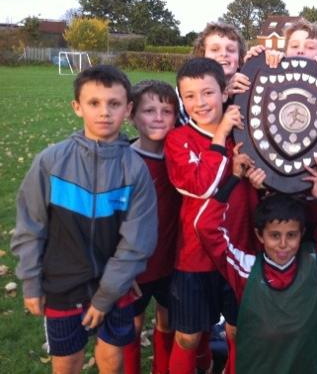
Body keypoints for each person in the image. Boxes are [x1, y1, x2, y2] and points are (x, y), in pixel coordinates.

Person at [11, 65, 158, 374]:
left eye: (114, 104)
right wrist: (31, 283)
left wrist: (106, 297)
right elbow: (30, 226)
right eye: (94, 103)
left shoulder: (135, 170)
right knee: (67, 363)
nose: (104, 112)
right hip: (62, 286)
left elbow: (137, 243)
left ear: (128, 109)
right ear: (77, 106)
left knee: (111, 358)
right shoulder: (51, 162)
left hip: (115, 287)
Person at [193, 145, 317, 374]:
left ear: (302, 234)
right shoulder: (245, 270)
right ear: (260, 236)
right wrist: (234, 179)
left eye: (291, 235)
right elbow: (205, 227)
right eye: (275, 236)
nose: (284, 244)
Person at [164, 58, 257, 374]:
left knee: (238, 331)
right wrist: (219, 136)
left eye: (208, 93)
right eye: (190, 96)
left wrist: (259, 183)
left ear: (223, 92)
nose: (200, 103)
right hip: (194, 256)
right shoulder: (178, 140)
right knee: (189, 337)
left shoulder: (245, 134)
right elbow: (199, 185)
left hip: (239, 252)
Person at [123, 80, 181, 374]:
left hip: (171, 262)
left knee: (167, 319)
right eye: (149, 110)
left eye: (167, 110)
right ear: (132, 115)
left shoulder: (179, 158)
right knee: (131, 325)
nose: (158, 117)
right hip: (136, 267)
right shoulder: (124, 161)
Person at [245, 18, 317, 73]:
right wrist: (254, 62)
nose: (300, 50)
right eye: (295, 46)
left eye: (310, 47)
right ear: (285, 52)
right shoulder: (271, 75)